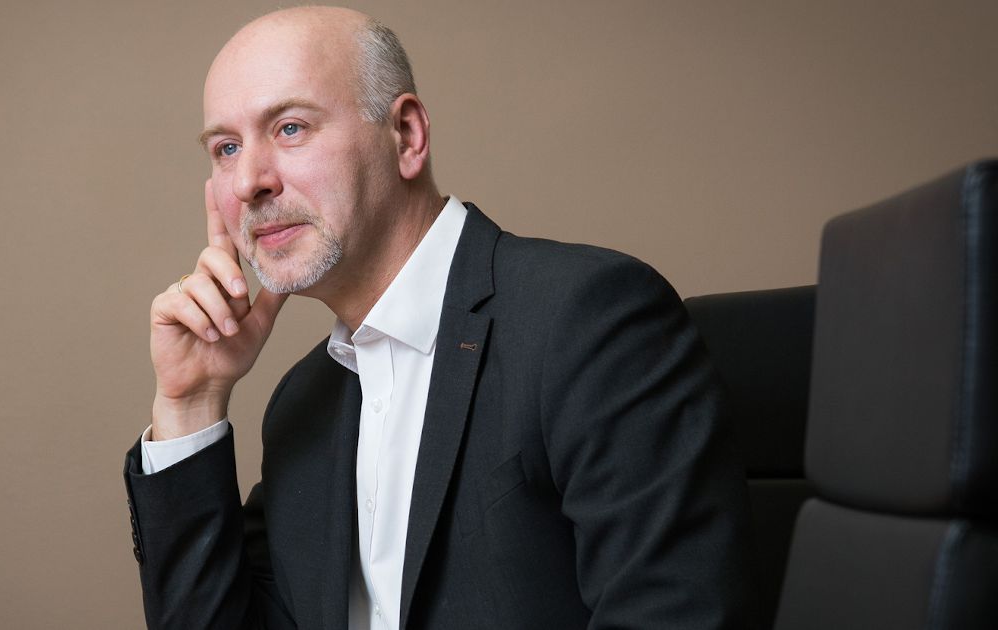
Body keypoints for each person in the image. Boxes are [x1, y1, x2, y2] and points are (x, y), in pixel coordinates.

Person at [123, 6, 753, 629]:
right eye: (226, 148)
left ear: (406, 136)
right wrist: (191, 405)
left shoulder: (590, 320)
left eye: (290, 128)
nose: (248, 182)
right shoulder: (302, 403)